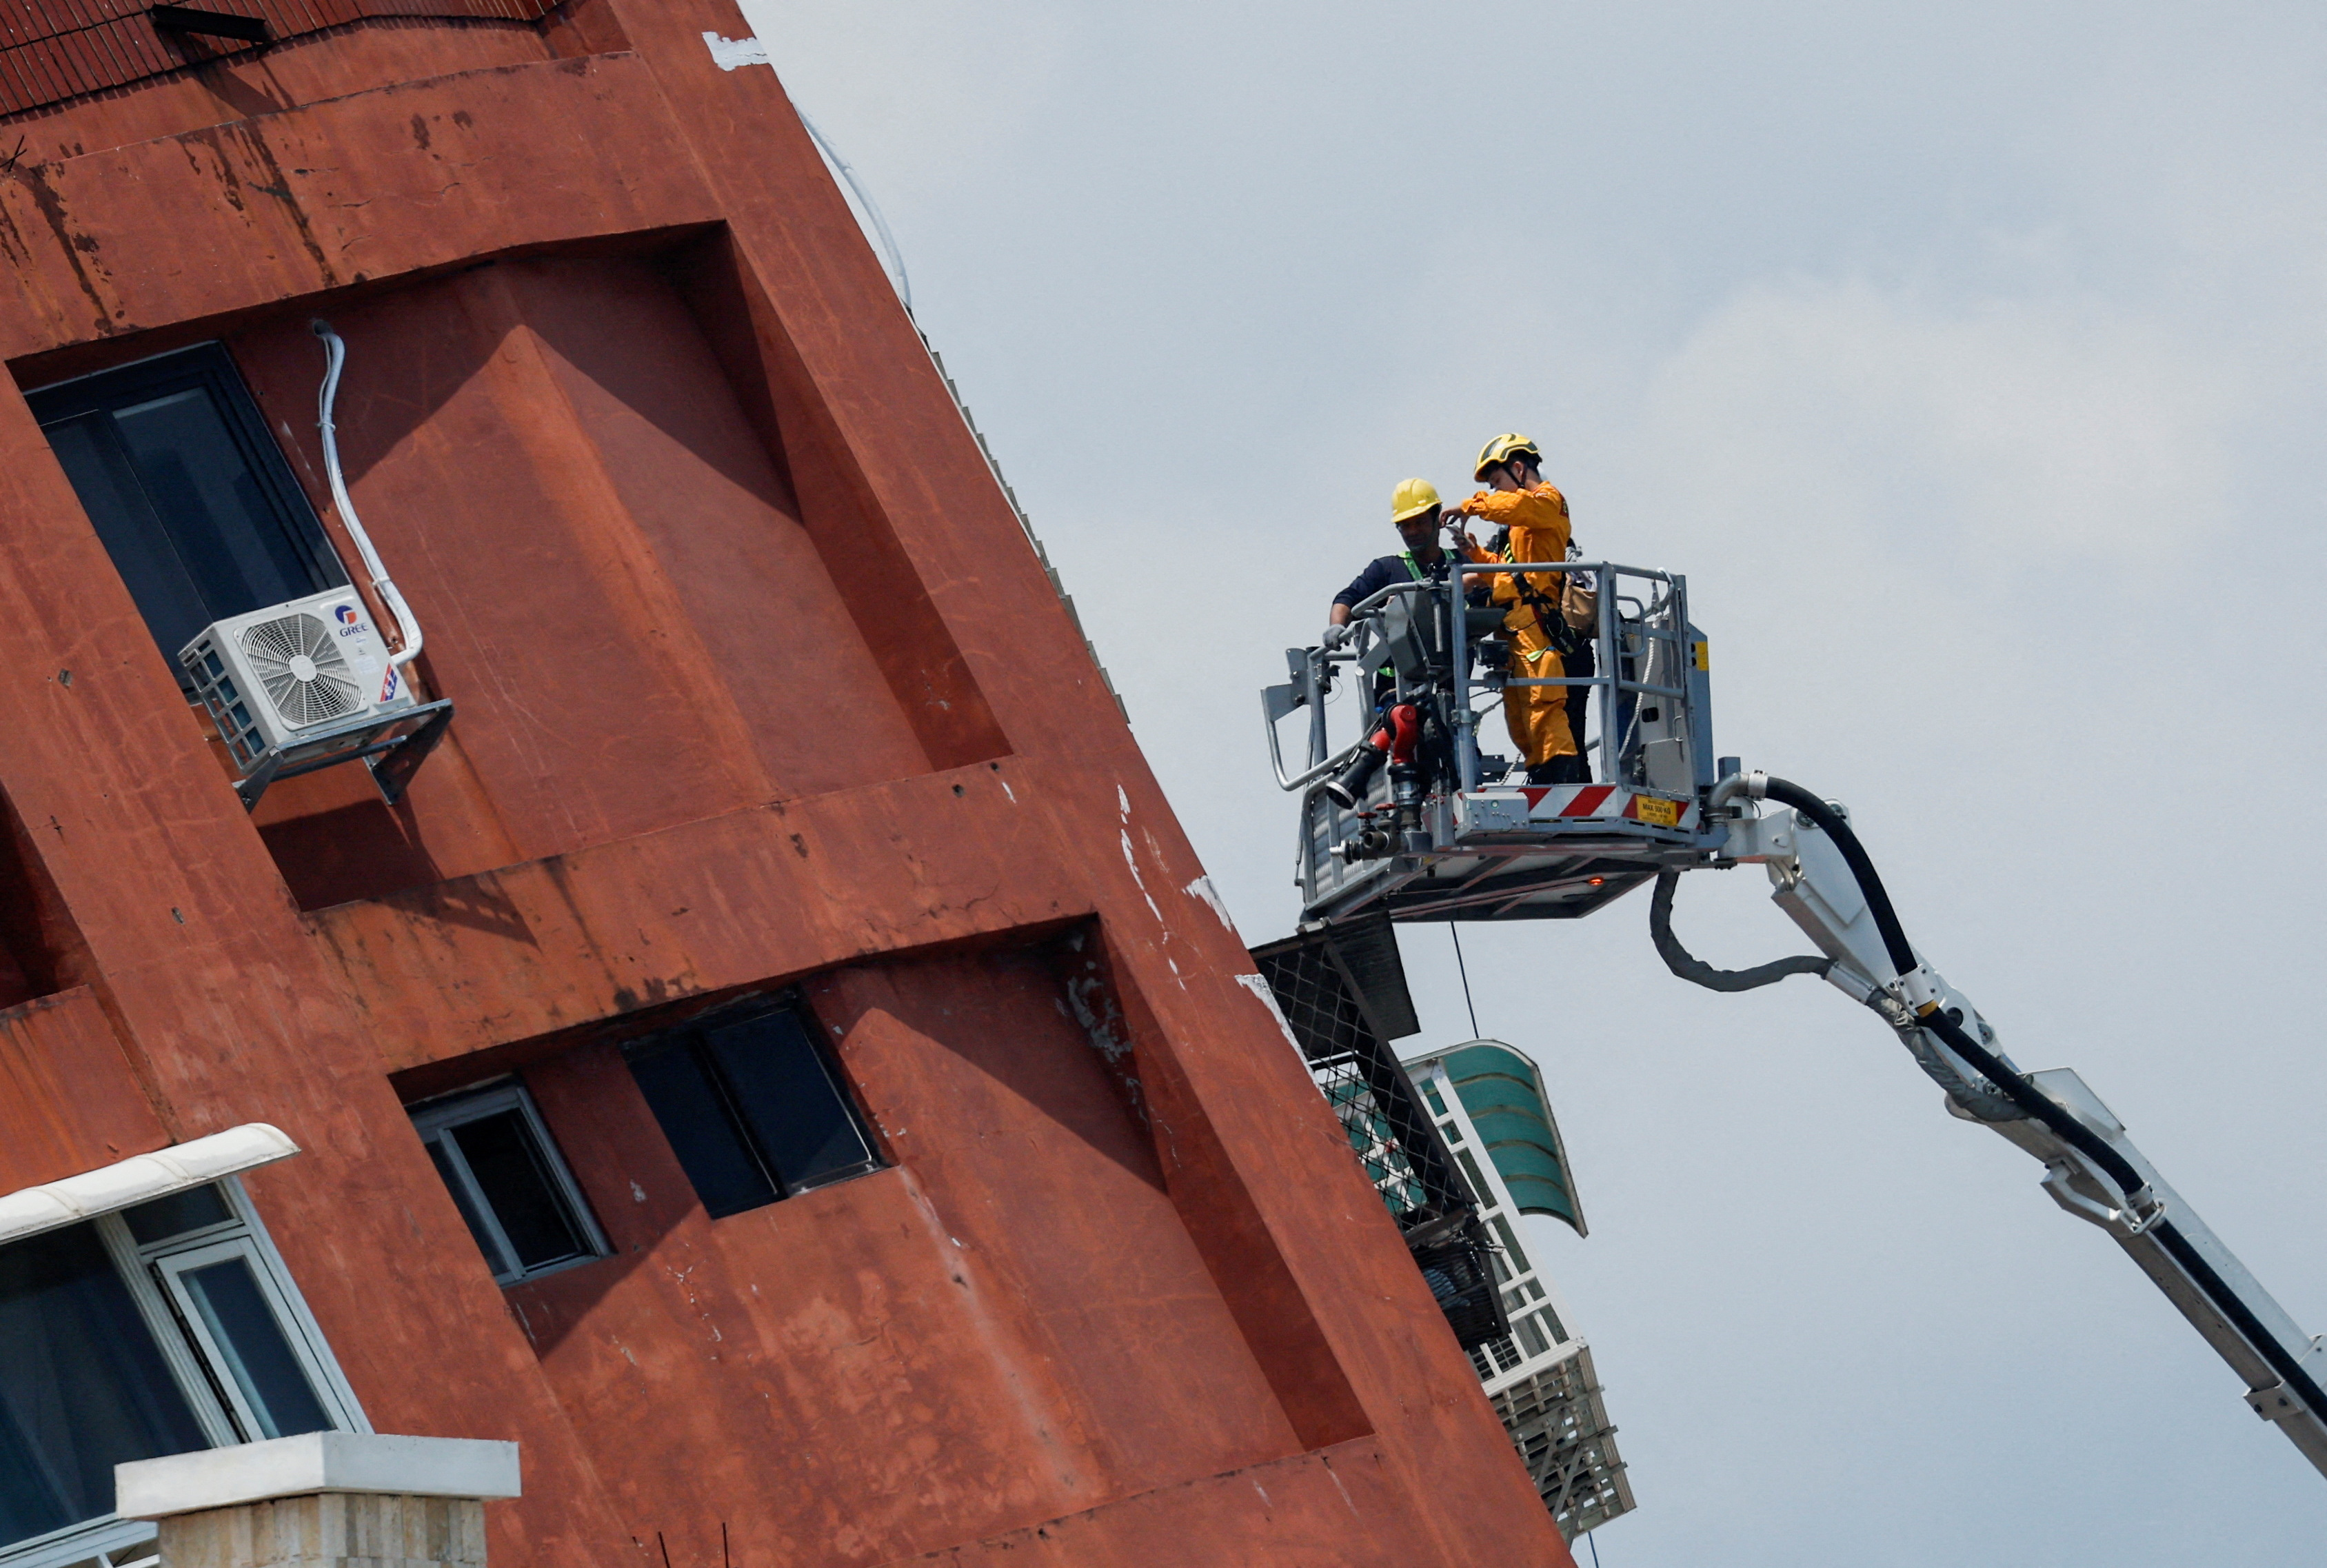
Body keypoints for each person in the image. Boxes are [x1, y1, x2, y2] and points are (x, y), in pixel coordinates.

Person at [1458, 433, 1591, 785]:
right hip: (1513, 625)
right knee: (1518, 713)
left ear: (1518, 468)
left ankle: (1560, 777)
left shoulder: (1548, 502)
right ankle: (1538, 770)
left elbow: (1517, 507)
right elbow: (1506, 571)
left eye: (1498, 482)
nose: (1496, 492)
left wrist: (1472, 506)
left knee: (1544, 704)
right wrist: (1474, 554)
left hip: (1535, 620)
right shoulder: (1520, 525)